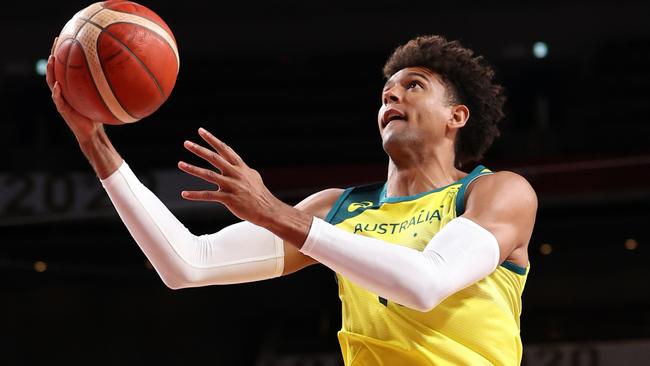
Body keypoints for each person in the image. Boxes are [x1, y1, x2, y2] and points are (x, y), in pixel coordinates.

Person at [46, 34, 537, 365]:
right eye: (386, 92)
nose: (391, 98)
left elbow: (427, 283)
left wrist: (277, 213)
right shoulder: (336, 209)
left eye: (413, 87)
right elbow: (187, 264)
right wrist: (94, 141)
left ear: (457, 116)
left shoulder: (495, 192)